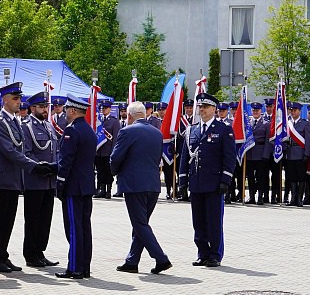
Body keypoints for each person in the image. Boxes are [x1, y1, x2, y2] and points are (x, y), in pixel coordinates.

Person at [0, 82, 50, 273]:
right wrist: (34, 166)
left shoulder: (14, 121)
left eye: (19, 98)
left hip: (14, 179)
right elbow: (9, 151)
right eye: (15, 99)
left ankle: (3, 255)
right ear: (5, 100)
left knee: (8, 221)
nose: (18, 102)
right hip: (2, 179)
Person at [109, 101, 171, 274]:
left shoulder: (127, 131)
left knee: (140, 224)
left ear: (129, 116)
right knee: (141, 224)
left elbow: (115, 157)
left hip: (134, 184)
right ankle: (132, 261)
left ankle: (161, 258)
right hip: (153, 184)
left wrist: (114, 172)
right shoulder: (157, 133)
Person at [177, 92, 236, 267]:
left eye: (205, 107)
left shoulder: (223, 129)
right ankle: (202, 253)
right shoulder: (192, 130)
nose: (201, 109)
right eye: (200, 107)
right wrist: (182, 181)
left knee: (214, 221)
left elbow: (229, 157)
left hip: (214, 183)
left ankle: (215, 254)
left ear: (214, 109)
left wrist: (226, 180)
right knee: (199, 221)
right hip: (196, 182)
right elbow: (185, 157)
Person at [55, 97, 98, 280]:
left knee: (73, 229)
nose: (65, 113)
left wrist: (60, 184)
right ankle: (84, 267)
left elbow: (66, 162)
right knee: (84, 228)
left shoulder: (71, 131)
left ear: (72, 111)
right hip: (86, 186)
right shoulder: (88, 130)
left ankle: (74, 268)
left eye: (66, 110)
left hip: (73, 187)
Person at [20, 91, 59, 267]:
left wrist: (55, 167)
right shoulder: (26, 126)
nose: (45, 110)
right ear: (32, 108)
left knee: (45, 220)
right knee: (33, 219)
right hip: (35, 180)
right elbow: (26, 152)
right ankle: (30, 254)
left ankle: (40, 251)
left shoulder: (48, 126)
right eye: (42, 107)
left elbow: (55, 151)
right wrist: (39, 167)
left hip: (49, 180)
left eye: (46, 107)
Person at [283, 101, 310, 207]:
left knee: (301, 177)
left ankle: (299, 199)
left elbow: (308, 140)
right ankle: (293, 198)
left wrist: (306, 154)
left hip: (300, 153)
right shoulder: (287, 123)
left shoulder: (305, 124)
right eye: (291, 110)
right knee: (291, 177)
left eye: (295, 110)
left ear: (299, 111)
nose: (293, 112)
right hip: (290, 153)